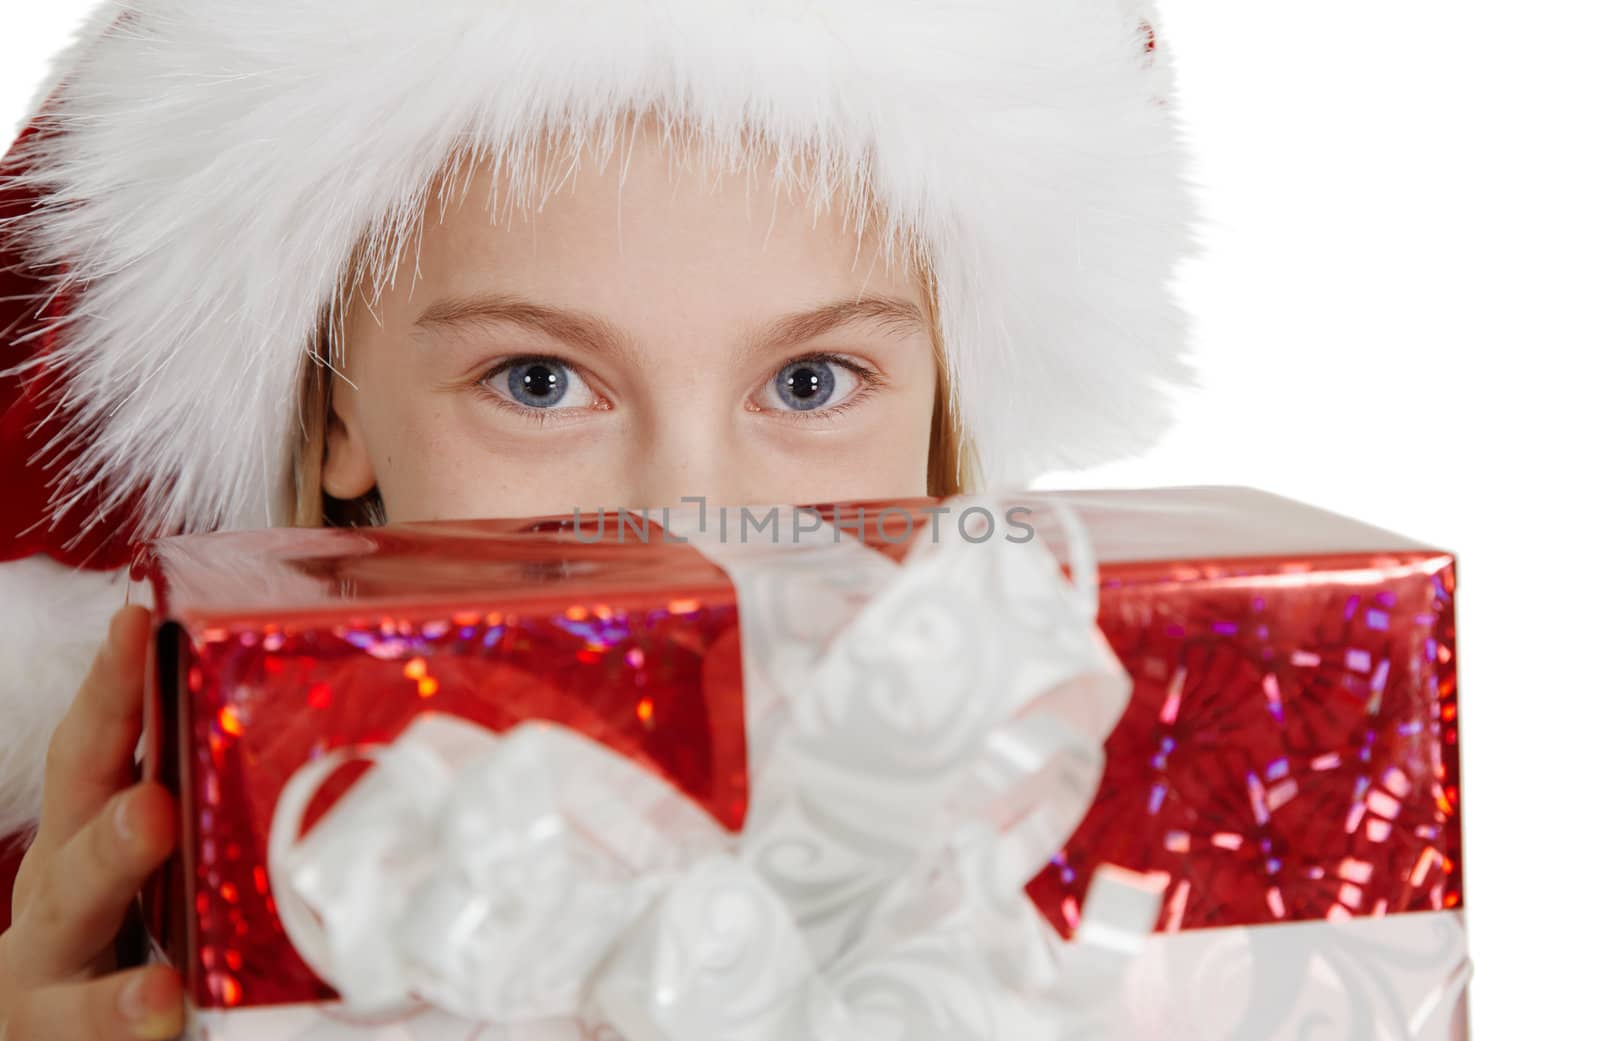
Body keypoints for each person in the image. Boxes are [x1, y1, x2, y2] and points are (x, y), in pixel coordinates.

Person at [0, 1, 1191, 1037]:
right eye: (538, 381)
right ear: (333, 427)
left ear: (942, 417)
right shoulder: (169, 899)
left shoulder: (1086, 875)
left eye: (810, 382)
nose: (689, 513)